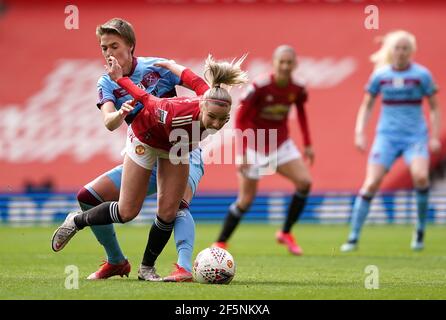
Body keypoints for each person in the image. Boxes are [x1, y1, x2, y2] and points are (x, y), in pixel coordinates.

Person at [51, 54, 249, 279]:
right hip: (146, 140)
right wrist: (120, 80)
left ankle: (146, 269)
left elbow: (193, 80)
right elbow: (146, 99)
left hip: (176, 147)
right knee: (127, 212)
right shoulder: (173, 114)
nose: (215, 124)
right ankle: (76, 221)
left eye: (222, 120)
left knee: (168, 212)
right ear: (202, 106)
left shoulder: (212, 98)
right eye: (212, 117)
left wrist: (174, 65)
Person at [72, 18, 204, 282]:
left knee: (176, 206)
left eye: (114, 46)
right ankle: (116, 261)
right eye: (104, 48)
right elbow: (108, 122)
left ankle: (184, 267)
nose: (109, 53)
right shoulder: (107, 82)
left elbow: (201, 90)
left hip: (182, 152)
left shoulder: (157, 67)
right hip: (144, 156)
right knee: (87, 197)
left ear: (130, 46)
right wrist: (119, 115)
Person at [340, 30, 441, 252]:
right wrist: (359, 132)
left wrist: (434, 135)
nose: (402, 52)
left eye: (406, 48)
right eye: (397, 47)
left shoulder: (422, 75)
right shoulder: (381, 75)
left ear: (412, 51)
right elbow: (366, 105)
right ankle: (353, 236)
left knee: (421, 177)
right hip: (387, 137)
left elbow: (434, 107)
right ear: (390, 50)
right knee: (371, 183)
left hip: (415, 136)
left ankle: (420, 231)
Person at [213, 45, 314, 256]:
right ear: (274, 63)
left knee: (304, 182)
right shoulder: (260, 86)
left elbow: (302, 112)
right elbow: (239, 119)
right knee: (246, 201)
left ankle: (286, 232)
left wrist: (307, 144)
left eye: (289, 62)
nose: (285, 66)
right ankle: (221, 242)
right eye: (281, 62)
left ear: (295, 64)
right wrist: (241, 152)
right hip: (255, 145)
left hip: (281, 144)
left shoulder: (298, 87)